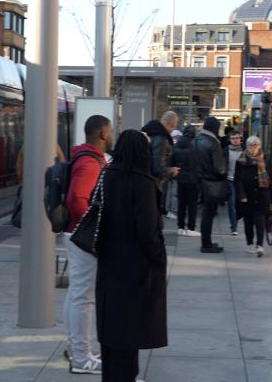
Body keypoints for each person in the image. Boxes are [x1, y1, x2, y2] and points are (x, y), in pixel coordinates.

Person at [96, 129, 167, 381]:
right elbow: (147, 231)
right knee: (131, 328)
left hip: (109, 262)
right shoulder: (143, 182)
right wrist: (159, 258)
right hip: (135, 268)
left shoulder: (106, 176)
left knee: (112, 327)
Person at [63, 115, 113, 374]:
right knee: (84, 297)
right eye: (111, 129)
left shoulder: (83, 157)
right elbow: (77, 199)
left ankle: (76, 349)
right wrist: (90, 230)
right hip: (81, 237)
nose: (113, 134)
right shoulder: (91, 163)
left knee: (76, 294)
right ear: (103, 133)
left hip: (74, 234)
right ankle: (82, 359)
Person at [234, 136, 272, 257]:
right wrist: (241, 194)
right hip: (247, 196)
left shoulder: (266, 160)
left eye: (255, 145)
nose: (253, 148)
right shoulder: (241, 160)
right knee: (248, 221)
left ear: (259, 146)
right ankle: (249, 243)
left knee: (260, 221)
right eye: (250, 145)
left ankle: (260, 245)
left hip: (262, 195)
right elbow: (238, 180)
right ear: (246, 147)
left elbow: (271, 179)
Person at [193, 116, 226, 254]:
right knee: (209, 214)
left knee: (206, 213)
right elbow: (219, 168)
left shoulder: (196, 140)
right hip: (212, 182)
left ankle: (206, 242)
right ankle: (206, 244)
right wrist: (224, 173)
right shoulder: (213, 142)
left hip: (199, 181)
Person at [141, 111, 180, 214]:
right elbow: (158, 168)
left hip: (143, 180)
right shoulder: (161, 138)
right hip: (153, 185)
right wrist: (172, 171)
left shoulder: (149, 131)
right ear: (171, 125)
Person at [169, 126, 201, 237]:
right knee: (192, 204)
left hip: (180, 178)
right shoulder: (195, 145)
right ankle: (191, 228)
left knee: (181, 204)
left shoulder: (177, 145)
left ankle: (180, 227)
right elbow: (198, 163)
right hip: (192, 179)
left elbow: (172, 161)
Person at [224, 129, 244, 235]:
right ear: (229, 139)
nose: (235, 140)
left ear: (240, 139)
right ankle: (234, 227)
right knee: (231, 204)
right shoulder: (226, 151)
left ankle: (236, 220)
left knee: (241, 204)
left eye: (237, 138)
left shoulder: (244, 151)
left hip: (241, 181)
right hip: (230, 180)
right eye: (233, 138)